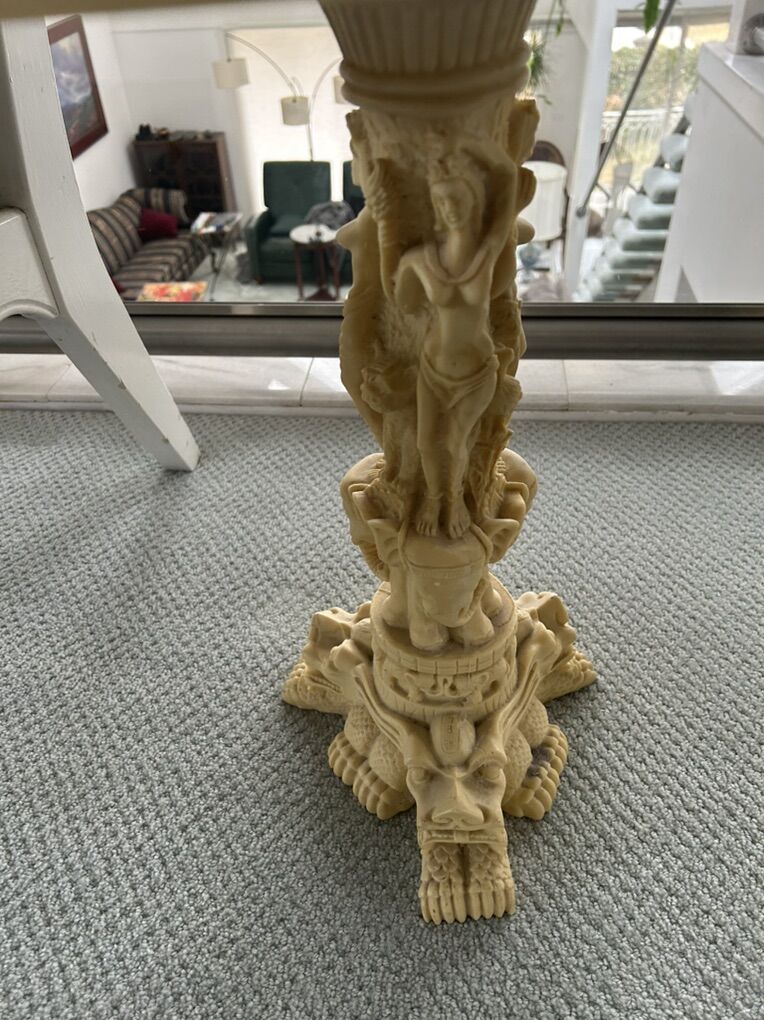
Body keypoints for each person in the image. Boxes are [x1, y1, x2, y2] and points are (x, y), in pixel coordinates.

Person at [394, 148, 517, 538]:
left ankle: (453, 501)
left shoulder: (485, 254)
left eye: (457, 199)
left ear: (473, 200)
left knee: (456, 440)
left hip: (476, 372)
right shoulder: (420, 258)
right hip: (433, 368)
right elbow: (401, 301)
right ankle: (433, 499)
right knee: (427, 442)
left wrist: (495, 152)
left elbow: (506, 200)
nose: (449, 208)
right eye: (441, 201)